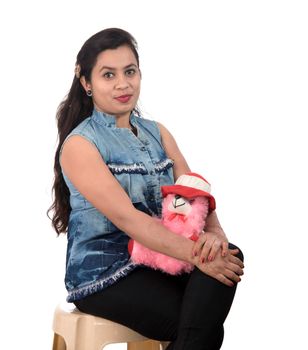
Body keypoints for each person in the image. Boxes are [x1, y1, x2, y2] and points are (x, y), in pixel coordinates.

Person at [48, 28, 244, 350]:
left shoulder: (158, 133)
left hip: (163, 259)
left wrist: (215, 237)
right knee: (202, 324)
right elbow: (131, 221)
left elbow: (194, 193)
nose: (123, 84)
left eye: (130, 71)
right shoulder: (81, 145)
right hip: (105, 274)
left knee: (229, 256)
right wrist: (200, 255)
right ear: (87, 83)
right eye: (108, 75)